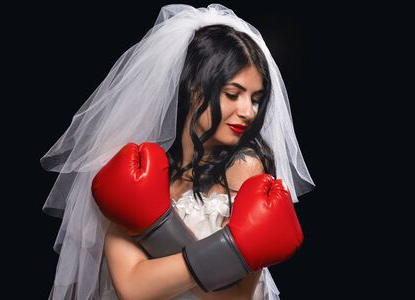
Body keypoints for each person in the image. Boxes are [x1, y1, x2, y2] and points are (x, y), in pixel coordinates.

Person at [40, 4, 315, 300]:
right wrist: (227, 253)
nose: (248, 111)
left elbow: (233, 297)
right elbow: (131, 286)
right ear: (195, 88)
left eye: (256, 99)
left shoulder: (246, 167)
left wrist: (154, 242)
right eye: (233, 94)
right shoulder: (132, 168)